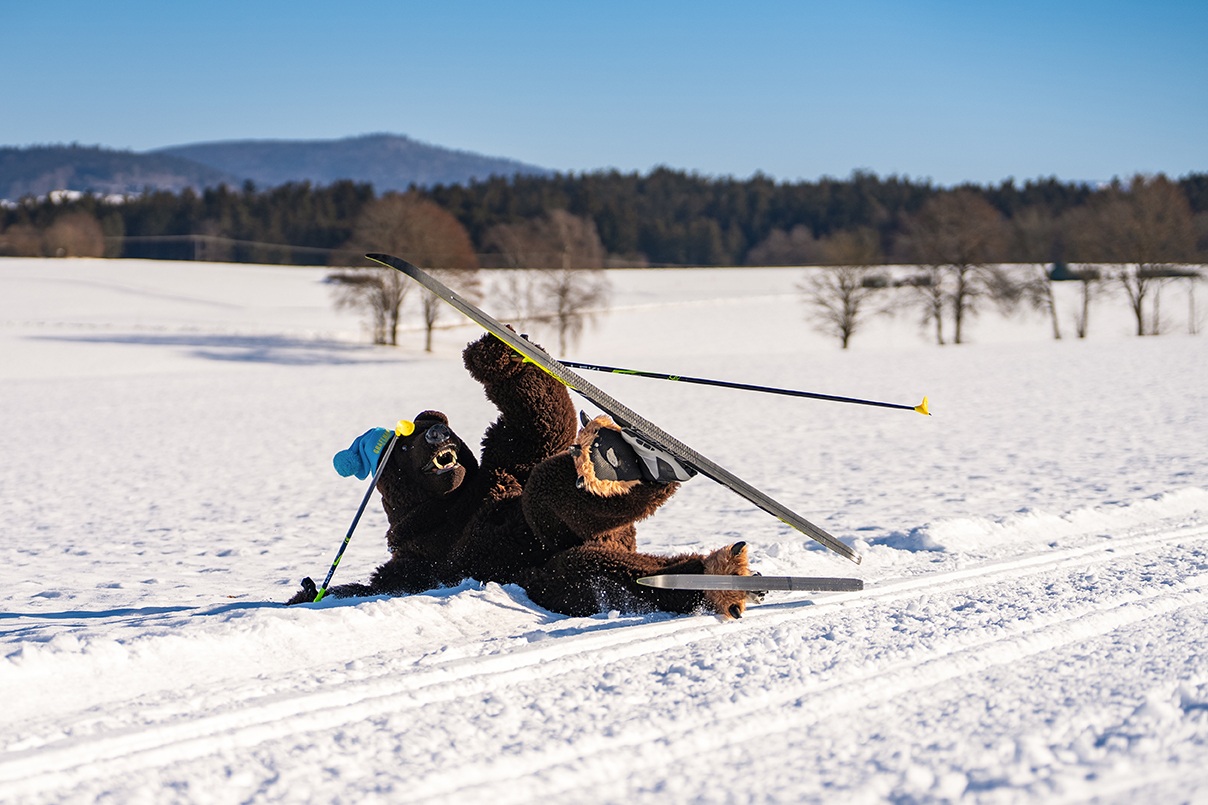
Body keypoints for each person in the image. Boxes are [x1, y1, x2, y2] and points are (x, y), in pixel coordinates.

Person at [287, 332, 752, 619]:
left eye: (440, 439)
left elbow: (540, 425)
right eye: (413, 451)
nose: (436, 448)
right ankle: (704, 581)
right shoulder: (417, 554)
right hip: (551, 570)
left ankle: (628, 474)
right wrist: (324, 600)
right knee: (579, 577)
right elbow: (375, 595)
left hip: (573, 514)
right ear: (397, 489)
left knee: (546, 484)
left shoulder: (496, 475)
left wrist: (510, 368)